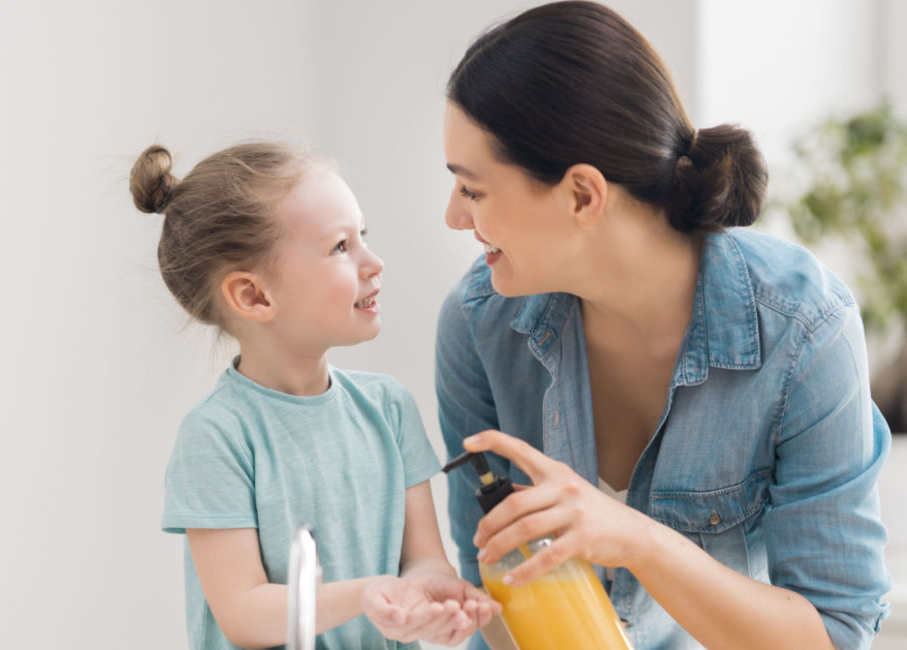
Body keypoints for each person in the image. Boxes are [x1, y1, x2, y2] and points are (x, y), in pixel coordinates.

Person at [434, 2, 892, 649]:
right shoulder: (477, 325)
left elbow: (835, 636)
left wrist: (638, 542)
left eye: (472, 190)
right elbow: (491, 606)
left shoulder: (803, 332)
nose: (453, 216)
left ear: (582, 196)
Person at [133, 141, 496, 648]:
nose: (374, 263)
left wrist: (420, 597)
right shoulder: (217, 437)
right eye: (340, 247)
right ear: (254, 296)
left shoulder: (388, 409)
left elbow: (422, 560)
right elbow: (243, 614)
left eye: (362, 237)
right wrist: (369, 593)